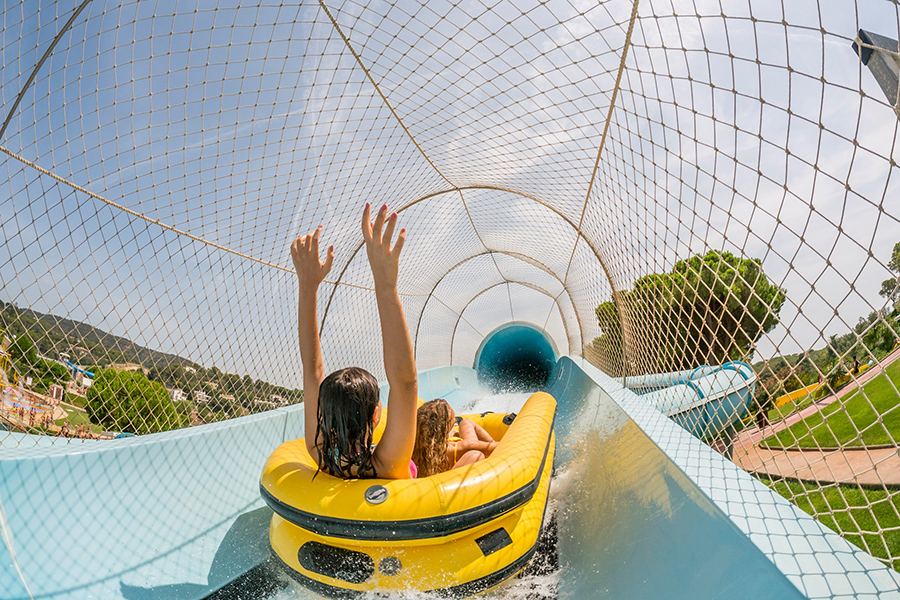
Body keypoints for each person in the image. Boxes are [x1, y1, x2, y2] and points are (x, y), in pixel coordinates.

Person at [292, 203, 418, 479]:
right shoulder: (387, 465)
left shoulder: (320, 454)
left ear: (321, 416)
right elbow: (406, 384)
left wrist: (307, 284)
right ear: (376, 416)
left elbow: (312, 372)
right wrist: (386, 285)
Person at [411, 399, 499, 478]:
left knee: (465, 422)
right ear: (443, 428)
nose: (456, 421)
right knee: (475, 455)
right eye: (453, 419)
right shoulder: (457, 448)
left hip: (434, 473)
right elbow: (499, 447)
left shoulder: (412, 445)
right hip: (450, 481)